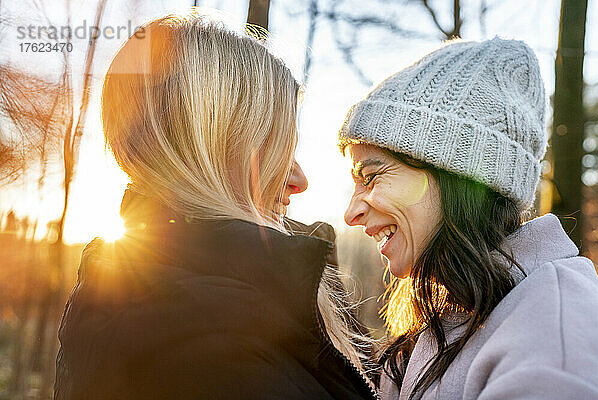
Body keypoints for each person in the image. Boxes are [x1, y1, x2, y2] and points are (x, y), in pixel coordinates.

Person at [54, 11, 376, 400]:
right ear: (208, 155)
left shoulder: (137, 308)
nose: (299, 181)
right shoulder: (213, 358)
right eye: (277, 152)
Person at [338, 37, 598, 399]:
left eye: (372, 175)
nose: (352, 213)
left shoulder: (553, 336)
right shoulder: (457, 311)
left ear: (454, 174)